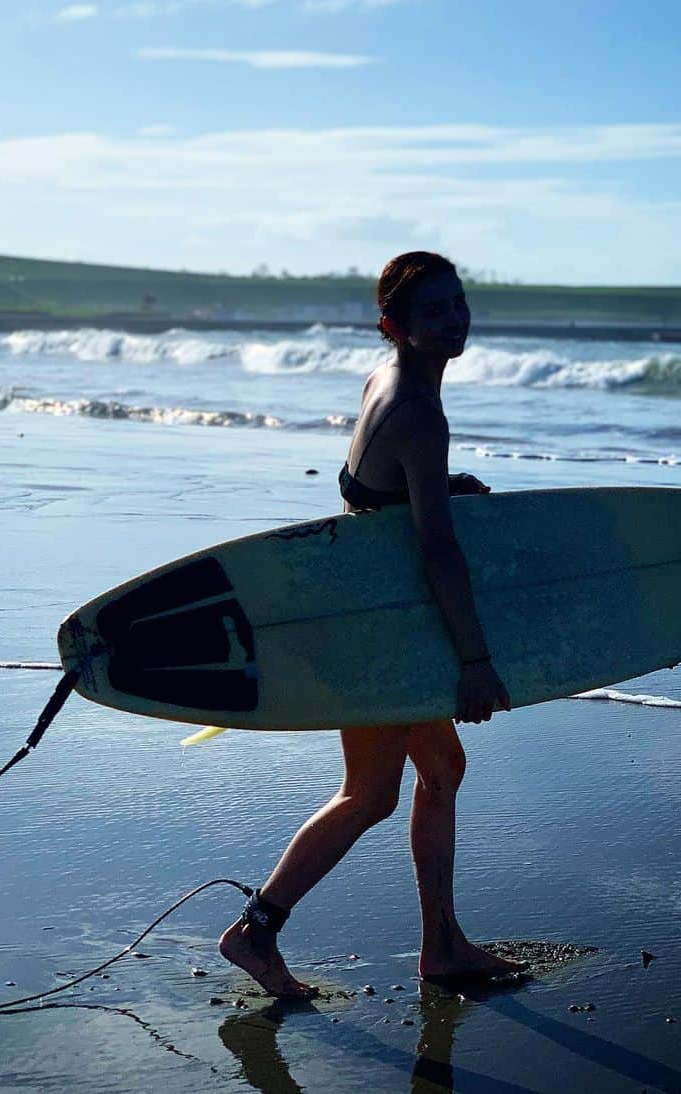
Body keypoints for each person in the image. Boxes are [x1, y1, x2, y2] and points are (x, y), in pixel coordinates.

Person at [219, 251, 518, 998]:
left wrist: (438, 487)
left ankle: (442, 944)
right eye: (435, 313)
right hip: (382, 631)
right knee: (370, 793)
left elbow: (369, 491)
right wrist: (475, 661)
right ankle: (256, 930)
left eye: (459, 305)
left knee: (442, 770)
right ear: (395, 326)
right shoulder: (419, 410)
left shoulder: (384, 380)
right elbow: (438, 549)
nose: (454, 321)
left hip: (372, 610)